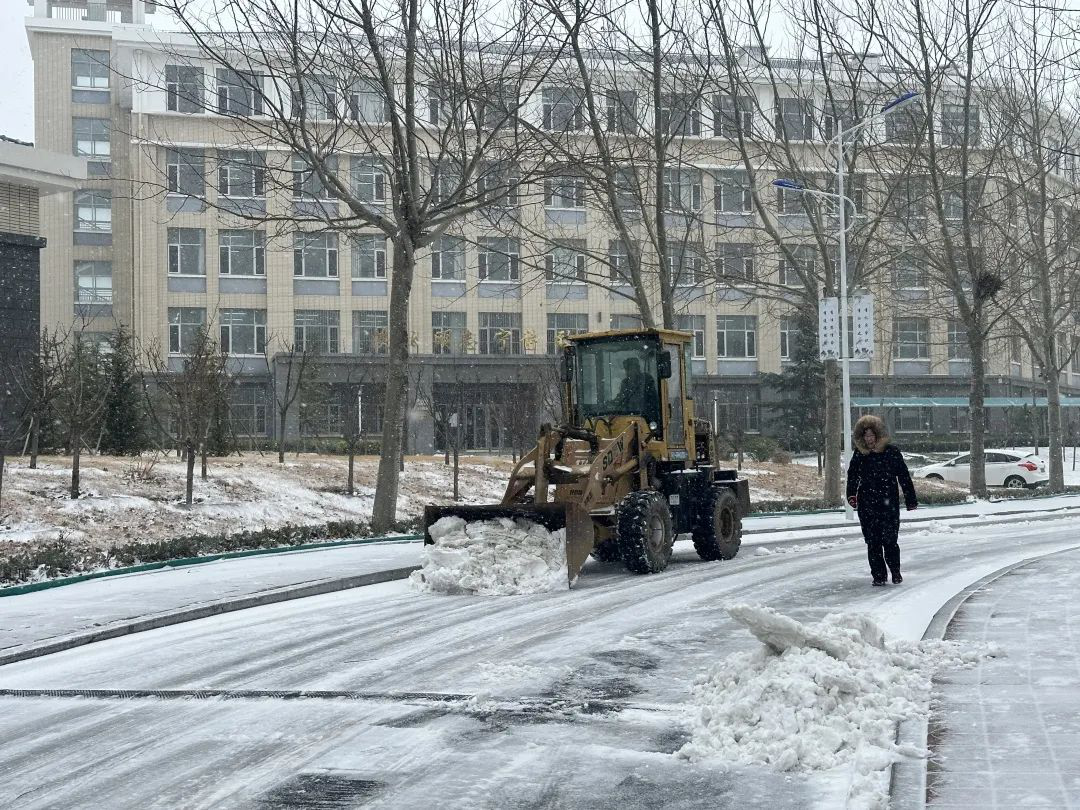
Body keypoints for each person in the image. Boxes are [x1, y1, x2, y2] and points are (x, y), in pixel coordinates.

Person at [846, 414, 917, 586]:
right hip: (867, 503)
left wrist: (910, 499)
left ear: (878, 435)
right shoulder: (859, 454)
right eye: (866, 436)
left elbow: (903, 475)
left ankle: (895, 571)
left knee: (890, 540)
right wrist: (851, 495)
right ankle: (878, 575)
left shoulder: (891, 452)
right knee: (873, 542)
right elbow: (852, 475)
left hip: (888, 503)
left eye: (871, 435)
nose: (869, 439)